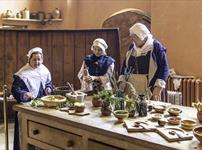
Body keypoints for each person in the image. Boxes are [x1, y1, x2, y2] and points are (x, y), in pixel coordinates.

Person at [11, 47, 53, 150]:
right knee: (26, 133)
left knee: (42, 133)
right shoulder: (22, 73)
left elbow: (49, 83)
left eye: (39, 59)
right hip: (27, 107)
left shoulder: (44, 70)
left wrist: (48, 88)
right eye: (34, 59)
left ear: (42, 59)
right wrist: (24, 94)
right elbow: (15, 89)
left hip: (42, 107)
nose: (37, 62)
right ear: (29, 59)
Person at [119, 23, 169, 101]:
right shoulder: (132, 47)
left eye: (135, 38)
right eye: (132, 38)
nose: (133, 40)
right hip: (132, 88)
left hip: (150, 88)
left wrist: (158, 87)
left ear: (142, 36)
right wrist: (122, 80)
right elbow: (125, 65)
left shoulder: (155, 46)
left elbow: (164, 67)